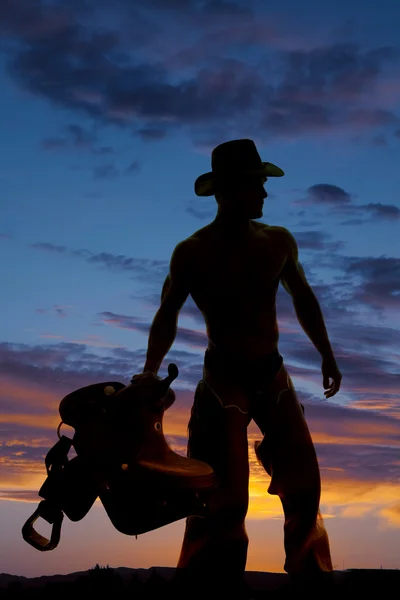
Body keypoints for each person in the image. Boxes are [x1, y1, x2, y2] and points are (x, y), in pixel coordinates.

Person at [140, 139, 342, 597]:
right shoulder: (192, 251)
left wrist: (327, 353)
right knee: (222, 500)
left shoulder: (278, 242)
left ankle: (313, 584)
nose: (265, 196)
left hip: (272, 376)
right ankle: (212, 592)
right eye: (257, 186)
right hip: (222, 382)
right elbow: (166, 312)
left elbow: (304, 299)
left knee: (304, 483)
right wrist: (150, 371)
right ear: (229, 191)